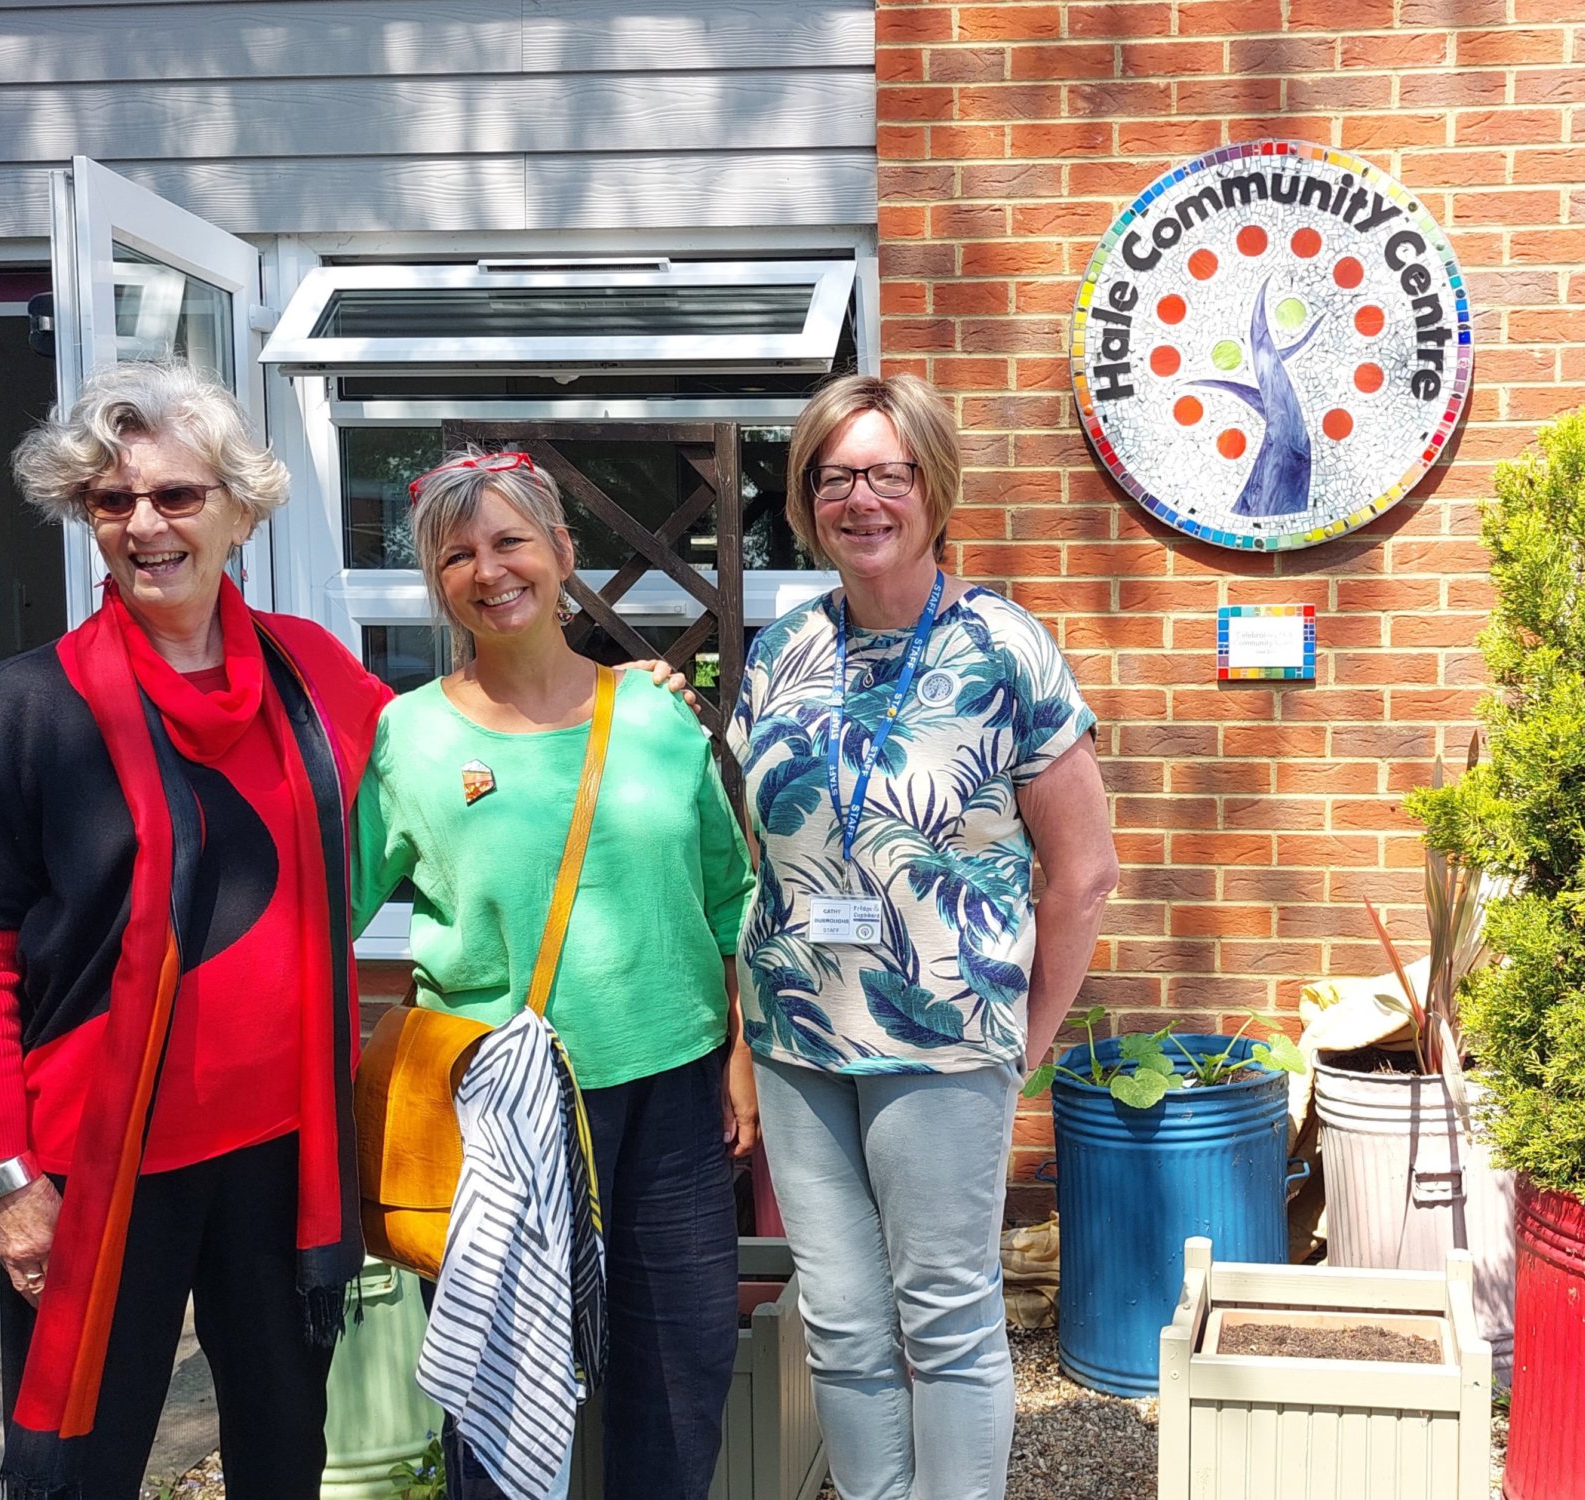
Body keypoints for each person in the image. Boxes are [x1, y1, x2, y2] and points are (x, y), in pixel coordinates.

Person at [0, 360, 388, 1499]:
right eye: (111, 500)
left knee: (285, 1457)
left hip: (282, 1158)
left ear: (239, 507)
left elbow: (468, 767)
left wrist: (610, 707)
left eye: (177, 496)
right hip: (95, 1164)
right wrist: (3, 1177)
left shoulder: (313, 671)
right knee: (68, 1467)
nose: (145, 526)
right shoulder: (31, 703)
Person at [726, 372, 1119, 1500]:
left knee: (943, 1317)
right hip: (799, 1040)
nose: (861, 499)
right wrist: (746, 1047)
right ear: (806, 498)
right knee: (841, 1324)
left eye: (885, 473)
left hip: (945, 1041)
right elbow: (760, 865)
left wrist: (1023, 1039)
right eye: (833, 475)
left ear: (929, 487)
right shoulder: (781, 650)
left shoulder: (1002, 648)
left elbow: (1082, 875)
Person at [352, 447, 758, 1500]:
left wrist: (742, 1055)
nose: (489, 571)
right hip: (499, 1112)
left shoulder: (657, 715)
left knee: (678, 1371)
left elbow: (728, 899)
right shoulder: (408, 737)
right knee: (500, 1384)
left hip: (670, 1089)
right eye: (457, 554)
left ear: (562, 553)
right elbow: (325, 912)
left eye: (509, 541)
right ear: (436, 581)